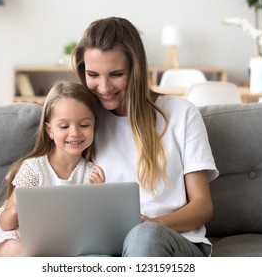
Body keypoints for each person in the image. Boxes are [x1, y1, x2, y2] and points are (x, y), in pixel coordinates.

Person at [73, 17, 219, 257]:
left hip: (172, 239)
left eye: (116, 74)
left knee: (143, 236)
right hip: (109, 245)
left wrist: (155, 223)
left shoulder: (182, 114)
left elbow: (203, 206)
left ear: (136, 70)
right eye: (93, 74)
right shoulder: (84, 124)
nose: (104, 87)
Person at [0, 80, 105, 257]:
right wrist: (15, 207)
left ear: (94, 126)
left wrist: (97, 197)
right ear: (50, 130)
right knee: (23, 254)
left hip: (57, 238)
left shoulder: (92, 174)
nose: (75, 133)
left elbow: (90, 228)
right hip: (14, 233)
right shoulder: (33, 168)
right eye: (64, 126)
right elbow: (5, 224)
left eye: (84, 125)